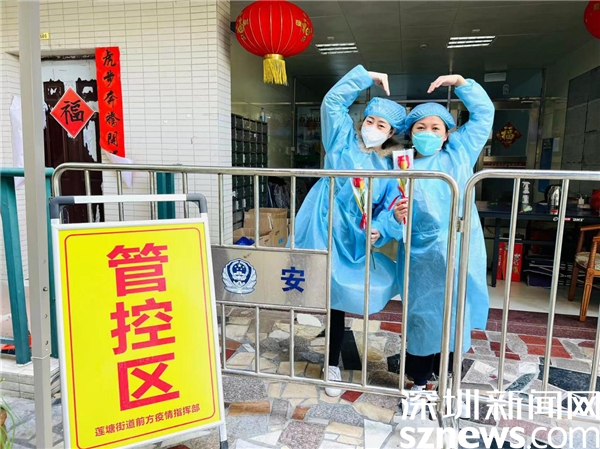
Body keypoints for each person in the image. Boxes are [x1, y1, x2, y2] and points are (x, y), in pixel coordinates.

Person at [373, 75, 494, 409]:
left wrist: (462, 83)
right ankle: (419, 382)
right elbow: (388, 209)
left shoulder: (460, 155)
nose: (428, 133)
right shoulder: (403, 165)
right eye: (421, 128)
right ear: (411, 133)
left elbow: (484, 115)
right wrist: (391, 220)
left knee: (455, 317)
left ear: (447, 133)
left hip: (459, 251)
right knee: (422, 320)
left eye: (435, 128)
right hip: (421, 258)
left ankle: (447, 381)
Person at [293, 65, 407, 397]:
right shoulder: (340, 140)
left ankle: (333, 361)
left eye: (381, 125)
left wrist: (380, 229)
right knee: (328, 295)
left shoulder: (390, 166)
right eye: (370, 120)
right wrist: (366, 77)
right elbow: (332, 103)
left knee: (341, 295)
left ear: (390, 133)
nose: (373, 128)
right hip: (322, 226)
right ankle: (331, 363)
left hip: (355, 238)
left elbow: (391, 207)